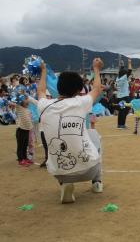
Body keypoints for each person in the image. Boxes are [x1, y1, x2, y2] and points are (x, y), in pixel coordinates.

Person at [37, 58, 104, 204]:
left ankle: (65, 184)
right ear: (79, 90)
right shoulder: (81, 102)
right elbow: (97, 89)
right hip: (89, 169)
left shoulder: (44, 106)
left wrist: (43, 71)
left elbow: (41, 90)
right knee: (94, 136)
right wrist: (96, 69)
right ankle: (96, 182)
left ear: (58, 88)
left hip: (60, 172)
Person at [15, 94, 33, 167]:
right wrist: (21, 94)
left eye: (27, 100)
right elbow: (15, 101)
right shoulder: (19, 108)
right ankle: (20, 159)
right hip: (20, 130)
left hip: (27, 130)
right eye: (25, 100)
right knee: (20, 146)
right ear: (21, 102)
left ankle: (25, 158)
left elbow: (29, 120)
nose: (27, 101)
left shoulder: (28, 110)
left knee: (25, 145)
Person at [116, 59, 132, 129]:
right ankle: (121, 125)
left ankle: (120, 124)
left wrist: (122, 66)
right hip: (124, 97)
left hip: (120, 97)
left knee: (122, 110)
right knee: (124, 111)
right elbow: (130, 70)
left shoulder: (117, 79)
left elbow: (122, 71)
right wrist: (129, 62)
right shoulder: (124, 78)